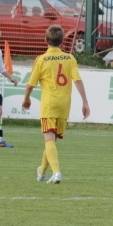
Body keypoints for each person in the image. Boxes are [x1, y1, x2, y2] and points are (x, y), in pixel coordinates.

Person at [22, 25, 90, 183]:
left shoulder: (41, 59)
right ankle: (42, 170)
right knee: (52, 139)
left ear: (45, 40)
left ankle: (57, 172)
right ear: (62, 41)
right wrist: (85, 102)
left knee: (49, 139)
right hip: (64, 104)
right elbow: (78, 80)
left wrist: (26, 98)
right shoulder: (70, 58)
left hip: (49, 104)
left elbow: (30, 84)